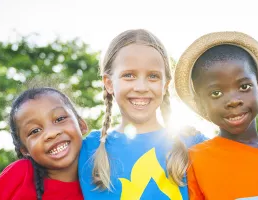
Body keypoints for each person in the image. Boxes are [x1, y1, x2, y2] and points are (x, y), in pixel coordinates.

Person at [78, 29, 206, 200]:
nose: (141, 87)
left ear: (165, 85)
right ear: (109, 83)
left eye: (153, 76)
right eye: (129, 75)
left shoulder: (193, 145)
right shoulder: (87, 149)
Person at [174, 31, 258, 199]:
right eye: (216, 93)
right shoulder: (194, 160)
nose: (233, 101)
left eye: (244, 87)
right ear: (200, 105)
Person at [0, 87, 88, 200]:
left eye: (59, 119)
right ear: (25, 150)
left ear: (81, 124)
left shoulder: (104, 183)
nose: (51, 134)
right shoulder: (20, 174)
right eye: (35, 131)